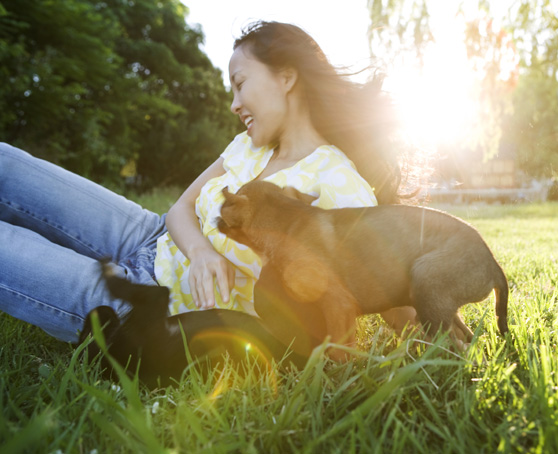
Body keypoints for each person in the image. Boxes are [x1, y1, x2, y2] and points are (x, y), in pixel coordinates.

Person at [0, 21, 410, 355]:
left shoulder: (339, 185)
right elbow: (180, 208)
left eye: (240, 83)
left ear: (287, 77)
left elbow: (389, 291)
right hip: (147, 233)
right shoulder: (247, 147)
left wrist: (432, 330)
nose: (233, 103)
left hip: (148, 302)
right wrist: (199, 251)